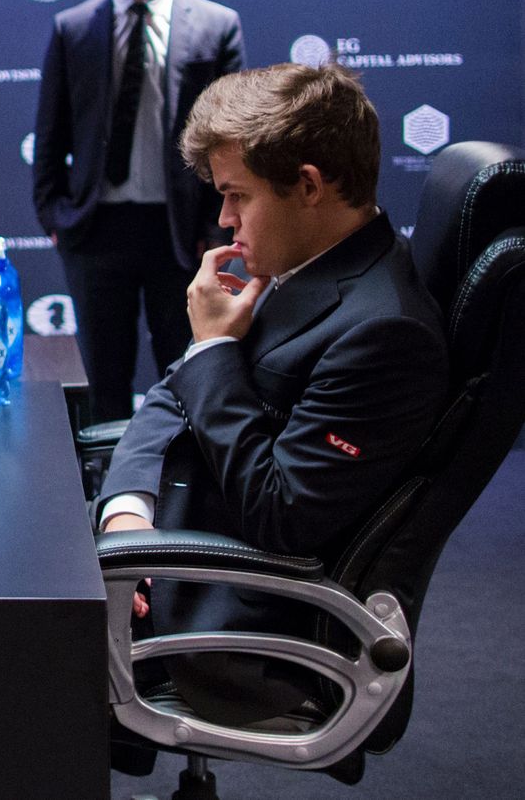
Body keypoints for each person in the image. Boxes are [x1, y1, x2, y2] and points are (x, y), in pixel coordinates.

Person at [98, 63, 449, 725]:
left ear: (309, 186)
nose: (226, 221)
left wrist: (214, 350)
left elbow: (279, 513)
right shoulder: (303, 266)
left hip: (230, 631)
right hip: (166, 549)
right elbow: (177, 394)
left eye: (238, 196)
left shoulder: (386, 333)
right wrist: (127, 514)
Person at [33, 0, 244, 424]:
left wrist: (214, 234)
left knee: (189, 365)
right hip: (96, 230)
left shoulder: (216, 27)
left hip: (181, 236)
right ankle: (107, 495)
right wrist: (56, 217)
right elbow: (49, 133)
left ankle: (181, 491)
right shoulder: (72, 28)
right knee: (105, 376)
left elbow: (231, 140)